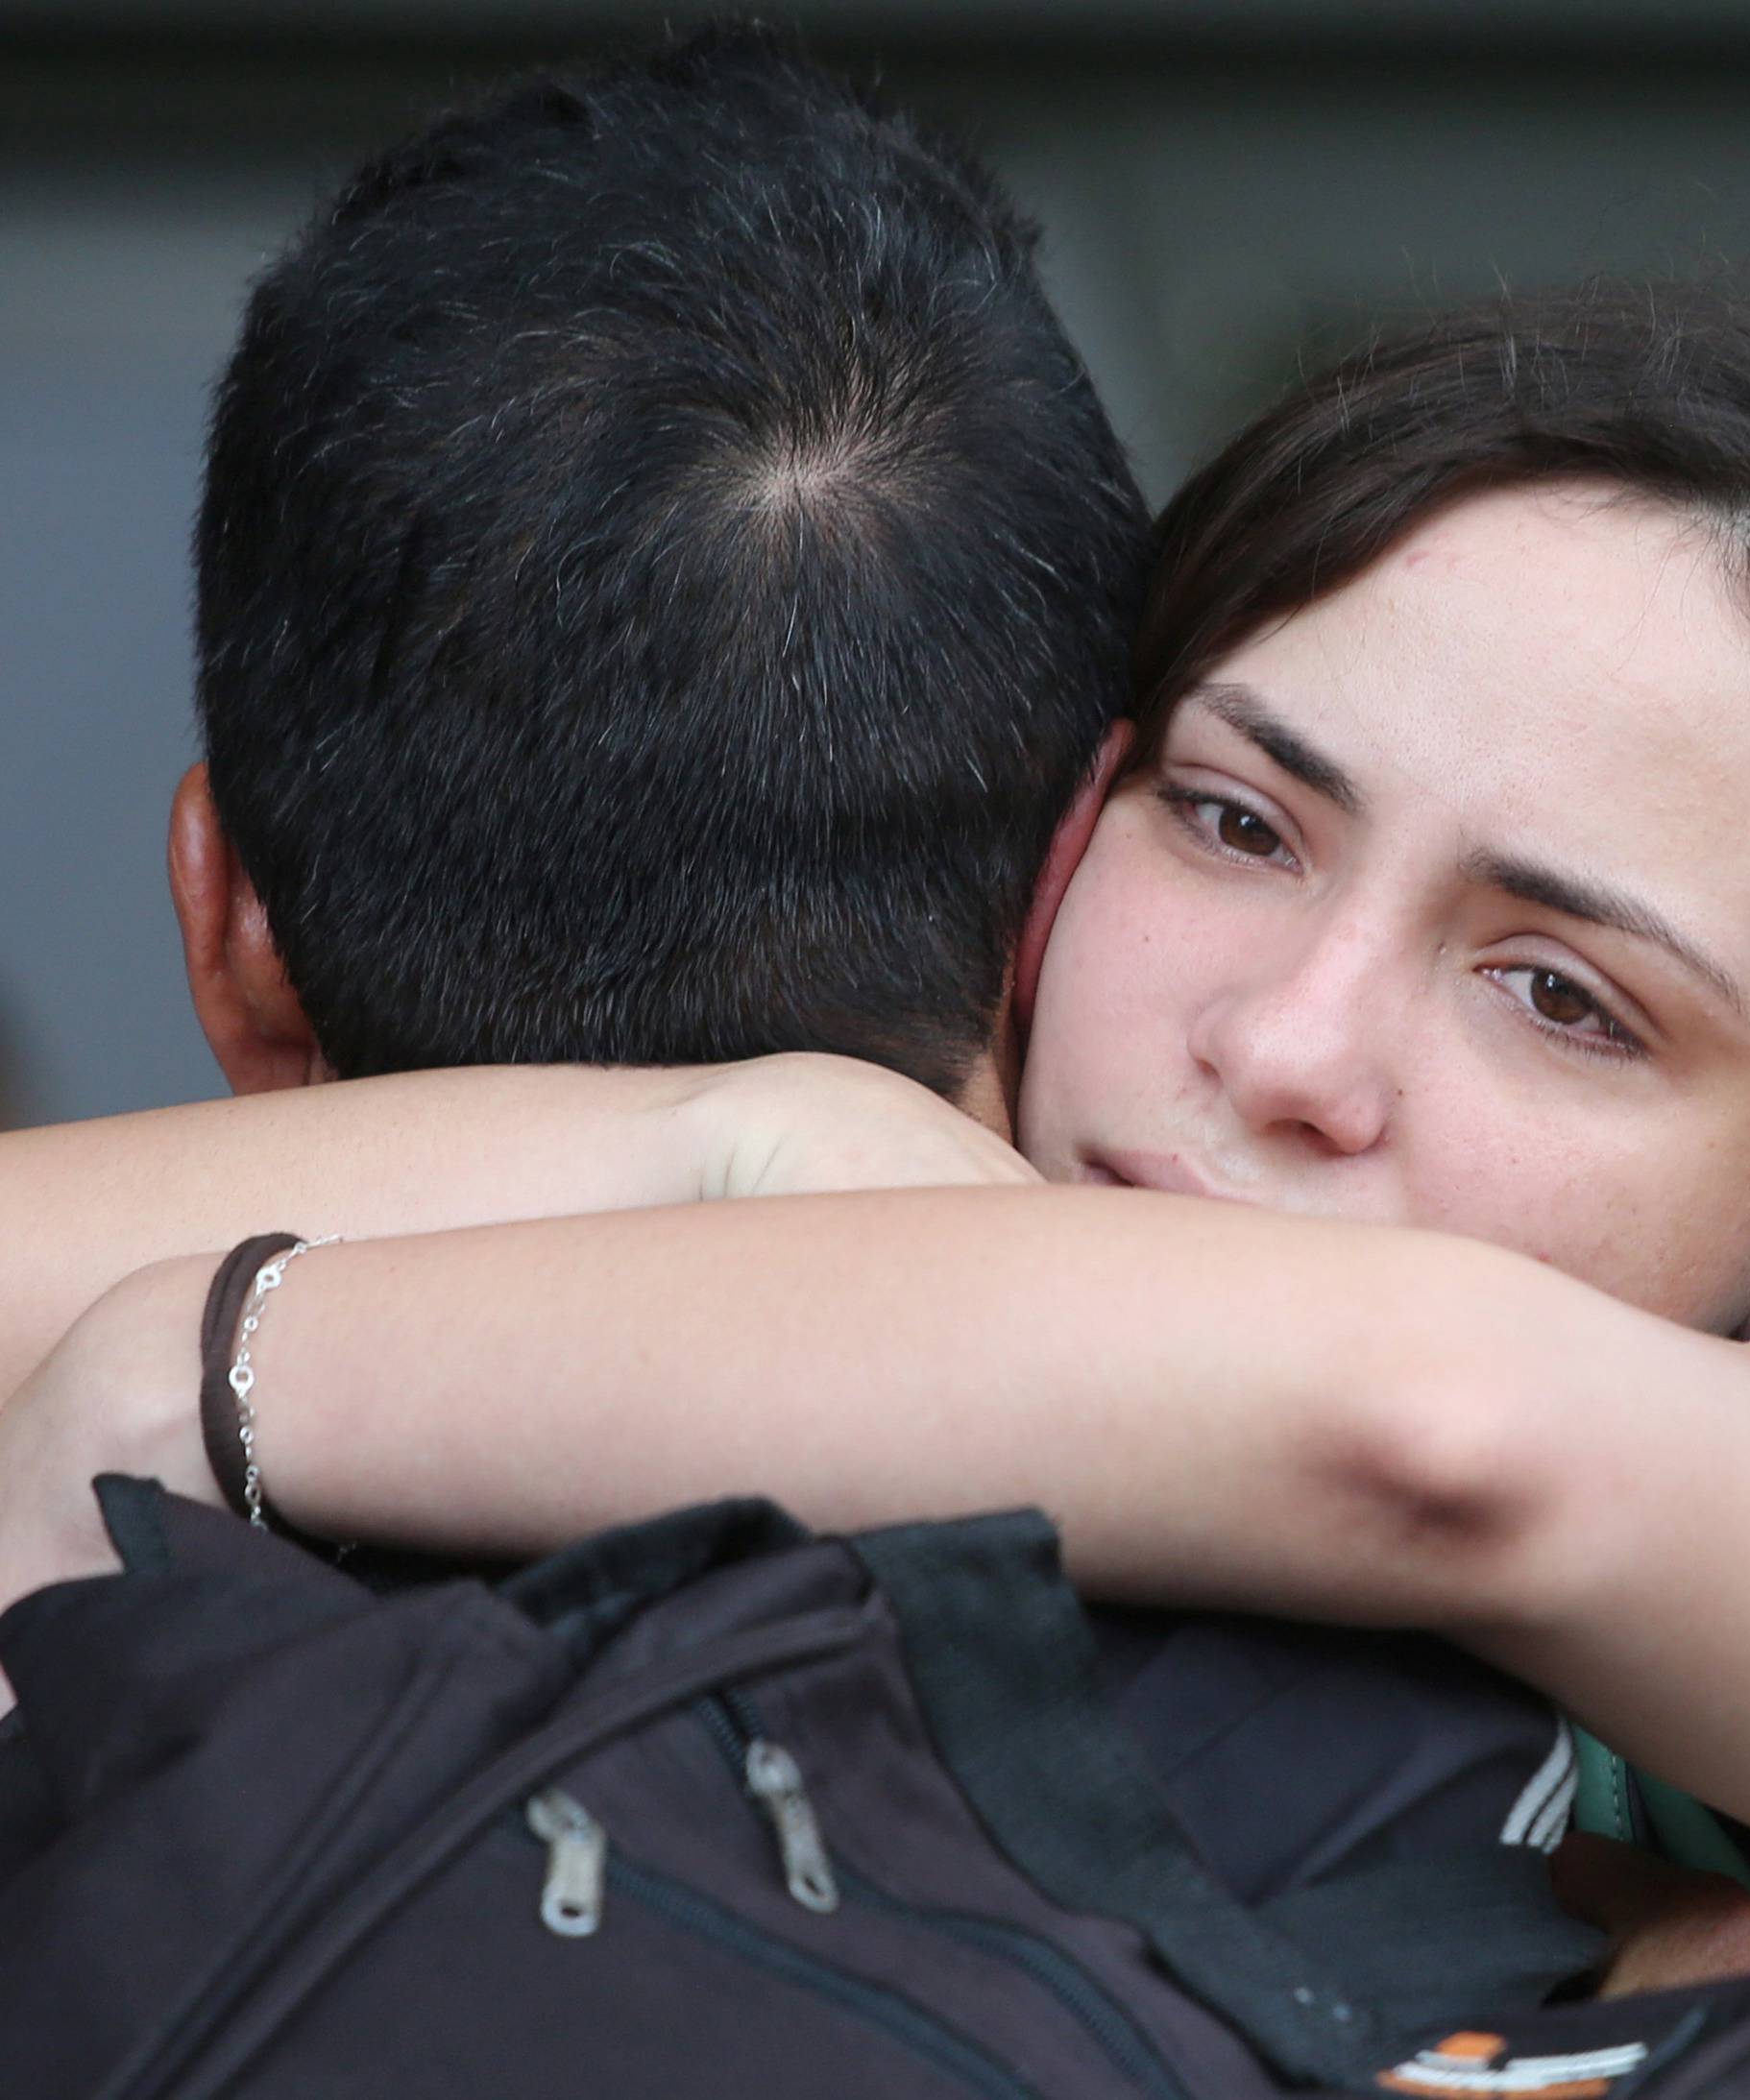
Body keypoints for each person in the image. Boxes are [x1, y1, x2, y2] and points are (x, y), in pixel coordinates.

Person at [0, 21, 1590, 1978]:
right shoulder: (1507, 1727)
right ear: (1069, 872)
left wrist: (689, 1147)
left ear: (224, 922)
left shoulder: (97, 1708)